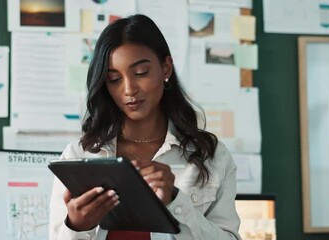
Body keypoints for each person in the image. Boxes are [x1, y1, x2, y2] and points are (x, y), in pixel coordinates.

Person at [49, 14, 241, 240]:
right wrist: (77, 227)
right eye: (114, 79)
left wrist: (175, 201)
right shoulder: (78, 156)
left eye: (140, 73)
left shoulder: (211, 156)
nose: (129, 89)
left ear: (166, 68)